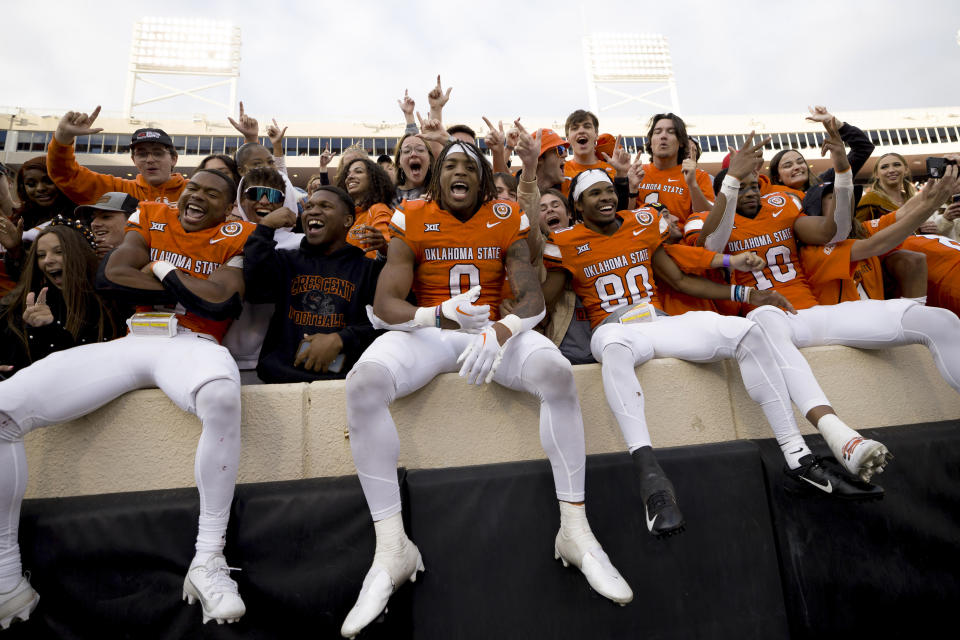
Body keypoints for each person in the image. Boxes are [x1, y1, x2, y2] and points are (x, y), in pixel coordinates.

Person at [339, 141, 632, 639]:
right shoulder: (411, 215)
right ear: (436, 176)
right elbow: (386, 303)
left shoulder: (506, 214)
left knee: (558, 375)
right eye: (449, 164)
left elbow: (533, 296)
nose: (459, 172)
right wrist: (436, 313)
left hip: (495, 330)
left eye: (469, 166)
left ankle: (575, 531)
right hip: (429, 329)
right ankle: (391, 549)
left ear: (481, 176)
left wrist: (501, 330)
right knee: (363, 382)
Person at [0, 168, 254, 627]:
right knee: (3, 410)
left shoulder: (240, 235)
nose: (197, 197)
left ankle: (208, 560)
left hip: (191, 343)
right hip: (134, 339)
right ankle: (5, 579)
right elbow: (112, 273)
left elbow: (220, 303)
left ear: (229, 207)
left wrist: (158, 268)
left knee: (220, 395)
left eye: (212, 193)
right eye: (193, 187)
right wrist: (184, 286)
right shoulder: (153, 214)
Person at [693, 131, 960, 485]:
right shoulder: (702, 219)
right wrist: (730, 181)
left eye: (755, 184)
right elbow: (711, 242)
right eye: (742, 187)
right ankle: (840, 436)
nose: (753, 190)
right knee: (763, 322)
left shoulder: (783, 208)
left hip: (812, 314)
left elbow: (834, 230)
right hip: (766, 316)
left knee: (939, 320)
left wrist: (843, 169)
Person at [243, 186, 382, 383]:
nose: (313, 211)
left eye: (325, 206)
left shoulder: (368, 270)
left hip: (343, 384)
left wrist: (341, 339)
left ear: (347, 220)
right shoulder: (285, 261)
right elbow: (255, 287)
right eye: (308, 207)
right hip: (280, 381)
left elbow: (386, 325)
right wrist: (265, 228)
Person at [0, 218, 122, 375]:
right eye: (41, 255)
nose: (48, 260)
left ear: (83, 254)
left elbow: (85, 370)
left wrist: (50, 329)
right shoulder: (27, 303)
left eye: (59, 252)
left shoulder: (111, 304)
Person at [222, 168, 302, 381]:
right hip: (222, 356)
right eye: (255, 193)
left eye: (274, 195)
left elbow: (262, 289)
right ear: (240, 199)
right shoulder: (223, 237)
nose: (265, 201)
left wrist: (265, 229)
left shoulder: (301, 244)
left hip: (277, 359)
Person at [46, 106, 186, 207]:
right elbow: (67, 176)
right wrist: (63, 137)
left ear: (174, 158)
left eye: (158, 153)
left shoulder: (195, 190)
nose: (149, 160)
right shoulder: (119, 191)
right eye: (142, 154)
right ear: (134, 160)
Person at [767, 106, 874, 198]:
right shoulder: (772, 201)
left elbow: (863, 148)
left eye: (800, 162)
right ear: (778, 177)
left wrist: (834, 123)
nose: (797, 167)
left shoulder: (825, 181)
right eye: (788, 165)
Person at [634, 113, 714, 222]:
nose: (663, 136)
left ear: (681, 142)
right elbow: (625, 219)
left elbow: (708, 219)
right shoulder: (636, 173)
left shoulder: (699, 176)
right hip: (644, 237)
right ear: (651, 142)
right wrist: (629, 186)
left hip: (682, 237)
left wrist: (692, 184)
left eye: (671, 132)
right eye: (657, 132)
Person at [335, 158, 394, 259]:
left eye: (358, 171)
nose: (350, 177)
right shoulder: (345, 216)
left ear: (372, 179)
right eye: (348, 174)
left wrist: (384, 249)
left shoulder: (378, 209)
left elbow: (385, 254)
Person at [74, 191, 139, 259]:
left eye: (106, 217)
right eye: (92, 218)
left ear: (133, 221)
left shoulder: (149, 260)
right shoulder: (85, 260)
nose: (93, 223)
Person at [854, 152, 917, 223]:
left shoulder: (913, 200)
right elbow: (858, 231)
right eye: (884, 167)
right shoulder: (869, 200)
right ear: (876, 174)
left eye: (897, 165)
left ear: (906, 170)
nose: (891, 170)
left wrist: (925, 227)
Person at [563, 110, 616, 182]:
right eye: (575, 128)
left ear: (596, 134)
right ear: (568, 138)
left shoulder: (613, 171)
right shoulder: (560, 173)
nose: (581, 131)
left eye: (587, 127)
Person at [392, 133, 434, 206]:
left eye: (420, 150)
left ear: (430, 159)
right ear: (399, 163)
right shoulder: (388, 197)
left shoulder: (441, 193)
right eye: (407, 151)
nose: (413, 154)